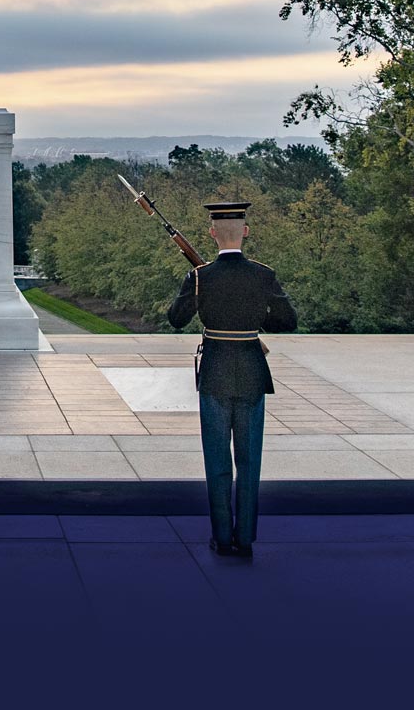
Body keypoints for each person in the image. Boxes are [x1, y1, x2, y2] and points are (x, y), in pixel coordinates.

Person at [168, 201, 297, 559]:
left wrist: (197, 291)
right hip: (253, 372)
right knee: (249, 460)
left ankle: (222, 538)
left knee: (217, 461)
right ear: (245, 232)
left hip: (215, 373)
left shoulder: (199, 277)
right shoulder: (263, 275)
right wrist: (256, 320)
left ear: (212, 233)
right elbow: (287, 321)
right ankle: (246, 539)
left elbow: (176, 319)